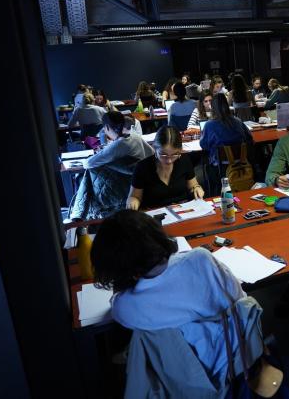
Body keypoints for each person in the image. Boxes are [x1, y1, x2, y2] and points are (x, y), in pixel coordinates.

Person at [90, 210, 247, 387]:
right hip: (239, 357)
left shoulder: (124, 307)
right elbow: (241, 301)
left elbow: (116, 299)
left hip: (187, 379)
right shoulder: (200, 258)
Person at [126, 127, 204, 210]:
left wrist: (197, 188)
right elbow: (135, 196)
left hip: (182, 210)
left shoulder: (184, 160)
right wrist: (132, 201)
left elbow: (193, 186)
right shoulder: (142, 167)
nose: (169, 160)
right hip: (155, 213)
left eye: (175, 154)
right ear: (155, 149)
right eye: (163, 155)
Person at [85, 111, 153, 170]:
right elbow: (152, 152)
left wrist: (102, 153)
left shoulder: (117, 145)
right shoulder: (135, 136)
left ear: (107, 127)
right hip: (144, 175)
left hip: (128, 180)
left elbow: (88, 163)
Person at [199, 93, 254, 167]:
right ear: (226, 105)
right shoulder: (238, 121)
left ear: (213, 107)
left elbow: (204, 145)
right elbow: (249, 138)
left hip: (220, 164)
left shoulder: (209, 125)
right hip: (241, 162)